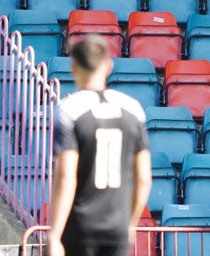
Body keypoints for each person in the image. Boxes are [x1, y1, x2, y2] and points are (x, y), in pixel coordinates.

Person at [48, 35, 151, 256]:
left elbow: (66, 177)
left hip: (80, 227)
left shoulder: (68, 110)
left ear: (74, 67)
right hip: (117, 228)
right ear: (108, 66)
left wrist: (55, 235)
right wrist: (130, 224)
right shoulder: (133, 109)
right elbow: (143, 178)